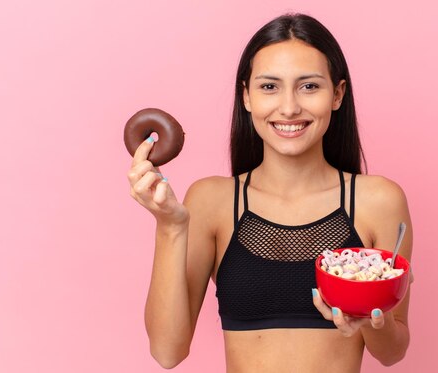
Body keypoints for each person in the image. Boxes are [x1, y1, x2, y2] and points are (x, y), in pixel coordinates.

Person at [127, 13, 413, 372]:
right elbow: (167, 352)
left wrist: (373, 317)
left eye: (309, 86)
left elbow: (392, 352)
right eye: (269, 87)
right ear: (246, 97)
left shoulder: (378, 201)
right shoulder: (212, 201)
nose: (289, 107)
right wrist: (169, 226)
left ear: (337, 94)